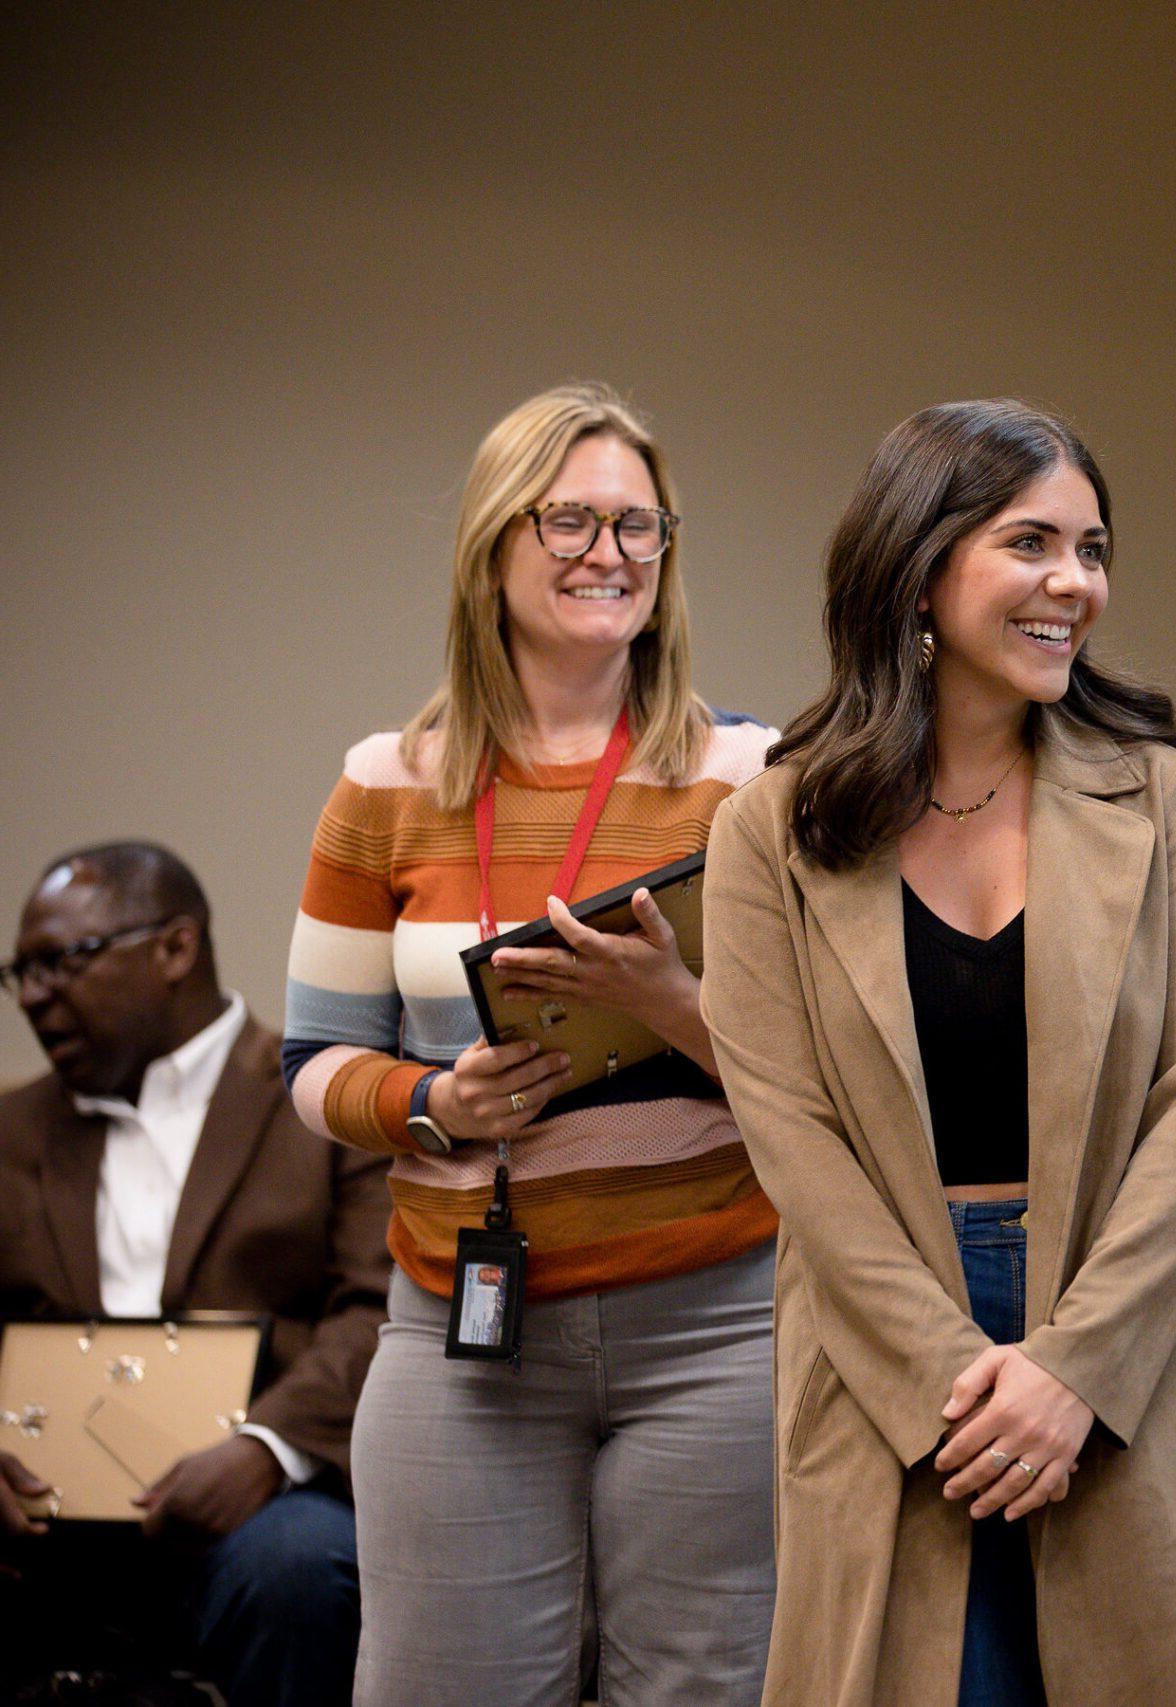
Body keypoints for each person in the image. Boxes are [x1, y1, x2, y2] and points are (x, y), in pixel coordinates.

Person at [701, 398, 1176, 1707]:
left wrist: (1074, 1369)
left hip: (1127, 1325)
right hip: (886, 1351)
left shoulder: (1162, 794)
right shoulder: (773, 825)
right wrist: (948, 1373)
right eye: (1031, 543)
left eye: (1092, 550)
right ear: (919, 564)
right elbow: (787, 1127)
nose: (1074, 584)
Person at [280, 383, 779, 1706]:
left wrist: (671, 1003)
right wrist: (442, 1098)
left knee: (701, 1689)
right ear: (492, 545)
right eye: (568, 520)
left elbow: (836, 1071)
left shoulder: (751, 778)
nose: (606, 553)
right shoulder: (387, 781)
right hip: (461, 1328)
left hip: (718, 1332)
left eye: (638, 525)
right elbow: (312, 1065)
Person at [1, 841, 390, 1706]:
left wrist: (266, 1449)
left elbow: (380, 1307)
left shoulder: (325, 1100)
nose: (32, 997)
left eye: (60, 963)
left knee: (295, 1571)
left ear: (175, 948)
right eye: (18, 974)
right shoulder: (9, 1129)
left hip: (267, 1498)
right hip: (40, 1509)